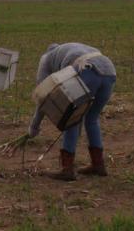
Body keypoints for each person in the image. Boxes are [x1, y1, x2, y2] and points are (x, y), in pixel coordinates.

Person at [28, 43, 116, 181]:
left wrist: (33, 127)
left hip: (86, 69)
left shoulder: (45, 60)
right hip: (109, 70)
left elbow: (43, 96)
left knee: (71, 119)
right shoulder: (70, 49)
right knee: (92, 119)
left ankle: (67, 170)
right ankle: (98, 165)